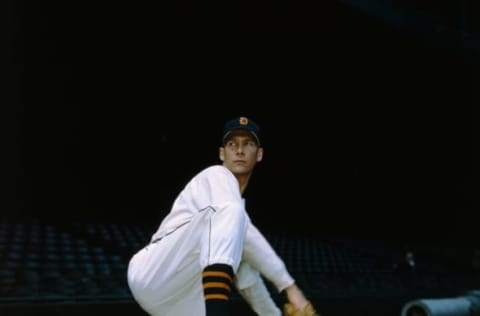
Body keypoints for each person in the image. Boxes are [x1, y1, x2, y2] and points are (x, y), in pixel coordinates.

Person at [127, 116, 318, 316]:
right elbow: (248, 234)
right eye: (231, 144)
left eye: (248, 144)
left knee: (240, 253)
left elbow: (248, 281)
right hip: (154, 272)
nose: (239, 150)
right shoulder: (216, 175)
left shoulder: (234, 220)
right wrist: (291, 288)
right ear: (221, 153)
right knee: (234, 218)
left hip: (181, 300)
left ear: (259, 154)